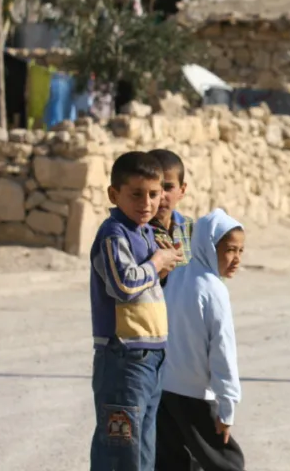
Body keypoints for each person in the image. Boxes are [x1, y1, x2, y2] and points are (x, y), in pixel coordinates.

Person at [89, 151, 185, 471]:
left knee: (143, 449)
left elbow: (143, 285)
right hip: (123, 358)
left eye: (154, 194)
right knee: (121, 451)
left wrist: (164, 264)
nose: (147, 203)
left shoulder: (144, 232)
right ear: (114, 195)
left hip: (150, 356)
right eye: (136, 194)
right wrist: (157, 262)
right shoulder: (113, 233)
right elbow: (123, 285)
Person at [157, 208, 246, 471]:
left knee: (173, 462)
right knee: (227, 462)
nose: (237, 258)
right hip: (196, 396)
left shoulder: (175, 276)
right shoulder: (213, 288)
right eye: (230, 250)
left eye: (240, 251)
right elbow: (222, 351)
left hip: (165, 391)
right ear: (208, 245)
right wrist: (227, 404)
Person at [148, 149, 194, 285]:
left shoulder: (190, 229)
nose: (161, 196)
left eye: (168, 187)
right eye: (155, 188)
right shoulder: (135, 231)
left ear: (182, 190)